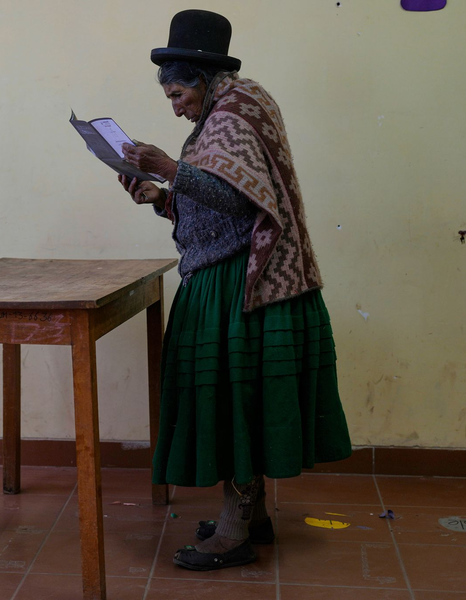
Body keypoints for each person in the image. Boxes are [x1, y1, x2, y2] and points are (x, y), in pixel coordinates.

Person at [118, 10, 352, 571]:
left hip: (248, 280)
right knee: (235, 399)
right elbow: (217, 199)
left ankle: (233, 530)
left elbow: (244, 201)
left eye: (177, 94)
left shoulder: (236, 112)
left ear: (201, 76)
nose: (175, 106)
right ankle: (252, 515)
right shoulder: (224, 112)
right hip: (234, 270)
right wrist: (161, 196)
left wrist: (172, 167)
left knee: (232, 402)